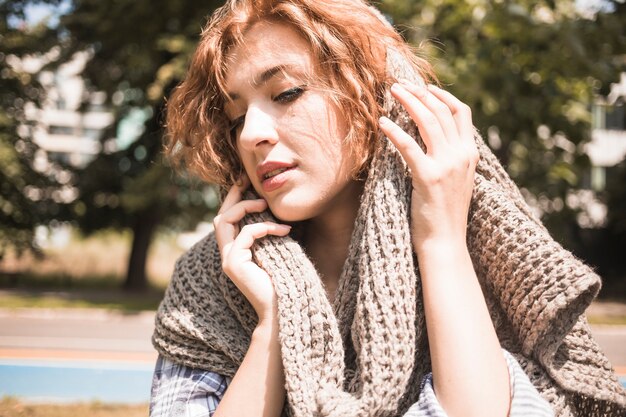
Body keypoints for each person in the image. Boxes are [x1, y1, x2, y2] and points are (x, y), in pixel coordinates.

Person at [150, 1, 626, 416]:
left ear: (377, 99)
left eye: (286, 93)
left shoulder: (484, 261)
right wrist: (276, 323)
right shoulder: (210, 280)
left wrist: (441, 244)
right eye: (236, 117)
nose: (252, 134)